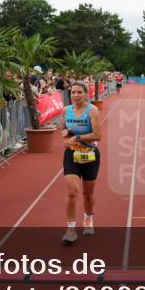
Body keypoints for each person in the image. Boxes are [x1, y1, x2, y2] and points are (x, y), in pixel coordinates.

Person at [57, 81, 102, 245]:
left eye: (79, 92)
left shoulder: (92, 110)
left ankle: (88, 218)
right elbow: (62, 128)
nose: (75, 95)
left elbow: (98, 135)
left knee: (88, 194)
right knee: (72, 191)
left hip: (90, 155)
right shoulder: (66, 110)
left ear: (86, 94)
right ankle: (70, 229)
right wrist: (65, 134)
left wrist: (76, 137)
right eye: (73, 92)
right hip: (72, 155)